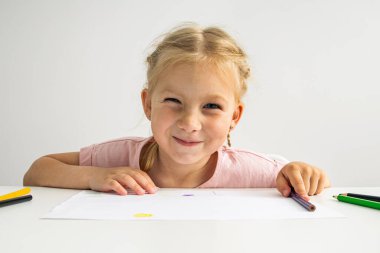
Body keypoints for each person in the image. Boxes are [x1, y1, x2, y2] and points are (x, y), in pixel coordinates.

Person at [23, 23, 330, 201]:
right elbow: (37, 171)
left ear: (234, 117)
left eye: (211, 106)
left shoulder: (255, 171)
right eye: (173, 101)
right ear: (147, 104)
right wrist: (95, 176)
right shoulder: (120, 159)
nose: (190, 123)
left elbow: (317, 187)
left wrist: (304, 174)